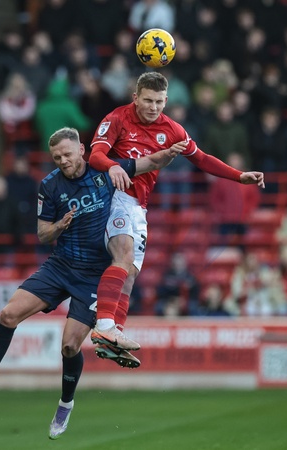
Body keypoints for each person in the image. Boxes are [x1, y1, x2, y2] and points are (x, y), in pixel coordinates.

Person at [0, 128, 180, 439]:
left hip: (94, 275)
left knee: (69, 346)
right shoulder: (49, 185)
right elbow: (42, 234)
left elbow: (149, 163)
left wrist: (173, 152)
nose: (63, 160)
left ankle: (65, 405)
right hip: (60, 266)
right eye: (57, 157)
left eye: (67, 154)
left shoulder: (105, 171)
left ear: (82, 150)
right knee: (8, 315)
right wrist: (59, 226)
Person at [87, 72, 264, 352]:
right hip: (114, 196)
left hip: (139, 206)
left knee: (130, 274)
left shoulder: (173, 130)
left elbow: (202, 159)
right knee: (123, 257)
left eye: (159, 102)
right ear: (135, 97)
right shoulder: (117, 118)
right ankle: (104, 326)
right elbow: (95, 155)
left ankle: (113, 337)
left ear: (166, 101)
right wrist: (113, 166)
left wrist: (238, 176)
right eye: (148, 101)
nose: (153, 107)